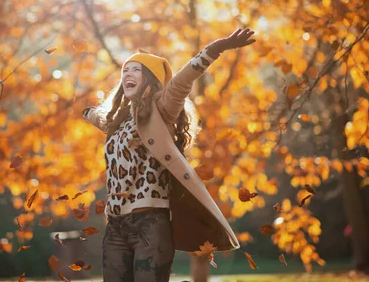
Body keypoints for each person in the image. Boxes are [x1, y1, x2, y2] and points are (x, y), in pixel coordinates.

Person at [82, 27, 256, 282]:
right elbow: (100, 118)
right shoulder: (117, 122)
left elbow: (183, 81)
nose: (128, 74)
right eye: (125, 70)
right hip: (116, 226)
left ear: (150, 79)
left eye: (136, 69)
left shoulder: (161, 110)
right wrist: (86, 113)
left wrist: (216, 48)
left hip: (150, 223)